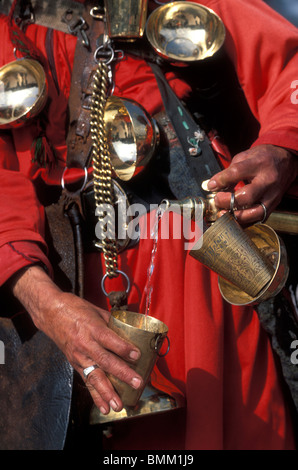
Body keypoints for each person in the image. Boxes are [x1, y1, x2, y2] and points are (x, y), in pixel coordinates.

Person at [0, 0, 297, 450]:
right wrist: (49, 306)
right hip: (60, 285)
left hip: (201, 264)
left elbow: (289, 70)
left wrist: (282, 149)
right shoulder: (11, 26)